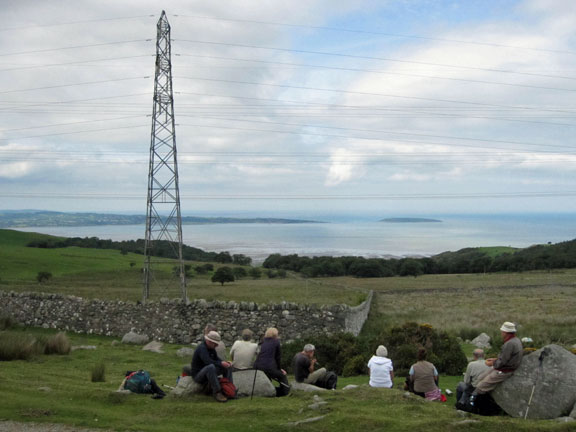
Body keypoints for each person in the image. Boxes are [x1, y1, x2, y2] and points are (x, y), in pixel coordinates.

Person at [470, 322, 523, 404]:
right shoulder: (515, 340)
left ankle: (474, 402)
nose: (501, 333)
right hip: (504, 367)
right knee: (481, 377)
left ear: (506, 333)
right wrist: (495, 360)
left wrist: (492, 363)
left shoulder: (510, 344)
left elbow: (503, 361)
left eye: (502, 331)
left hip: (505, 370)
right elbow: (506, 357)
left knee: (483, 384)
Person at [191, 330, 233, 402]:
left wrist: (225, 363)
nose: (216, 345)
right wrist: (220, 363)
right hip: (198, 375)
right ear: (209, 341)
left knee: (227, 367)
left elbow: (216, 359)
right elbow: (208, 361)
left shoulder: (211, 348)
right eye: (215, 344)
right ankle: (217, 392)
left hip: (208, 371)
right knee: (211, 367)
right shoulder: (202, 348)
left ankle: (230, 389)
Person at [253, 327, 290, 397]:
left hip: (257, 366)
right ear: (275, 335)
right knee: (282, 376)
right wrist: (279, 369)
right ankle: (285, 391)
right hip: (269, 366)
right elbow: (278, 358)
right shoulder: (276, 342)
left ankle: (268, 391)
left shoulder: (262, 342)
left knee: (267, 376)